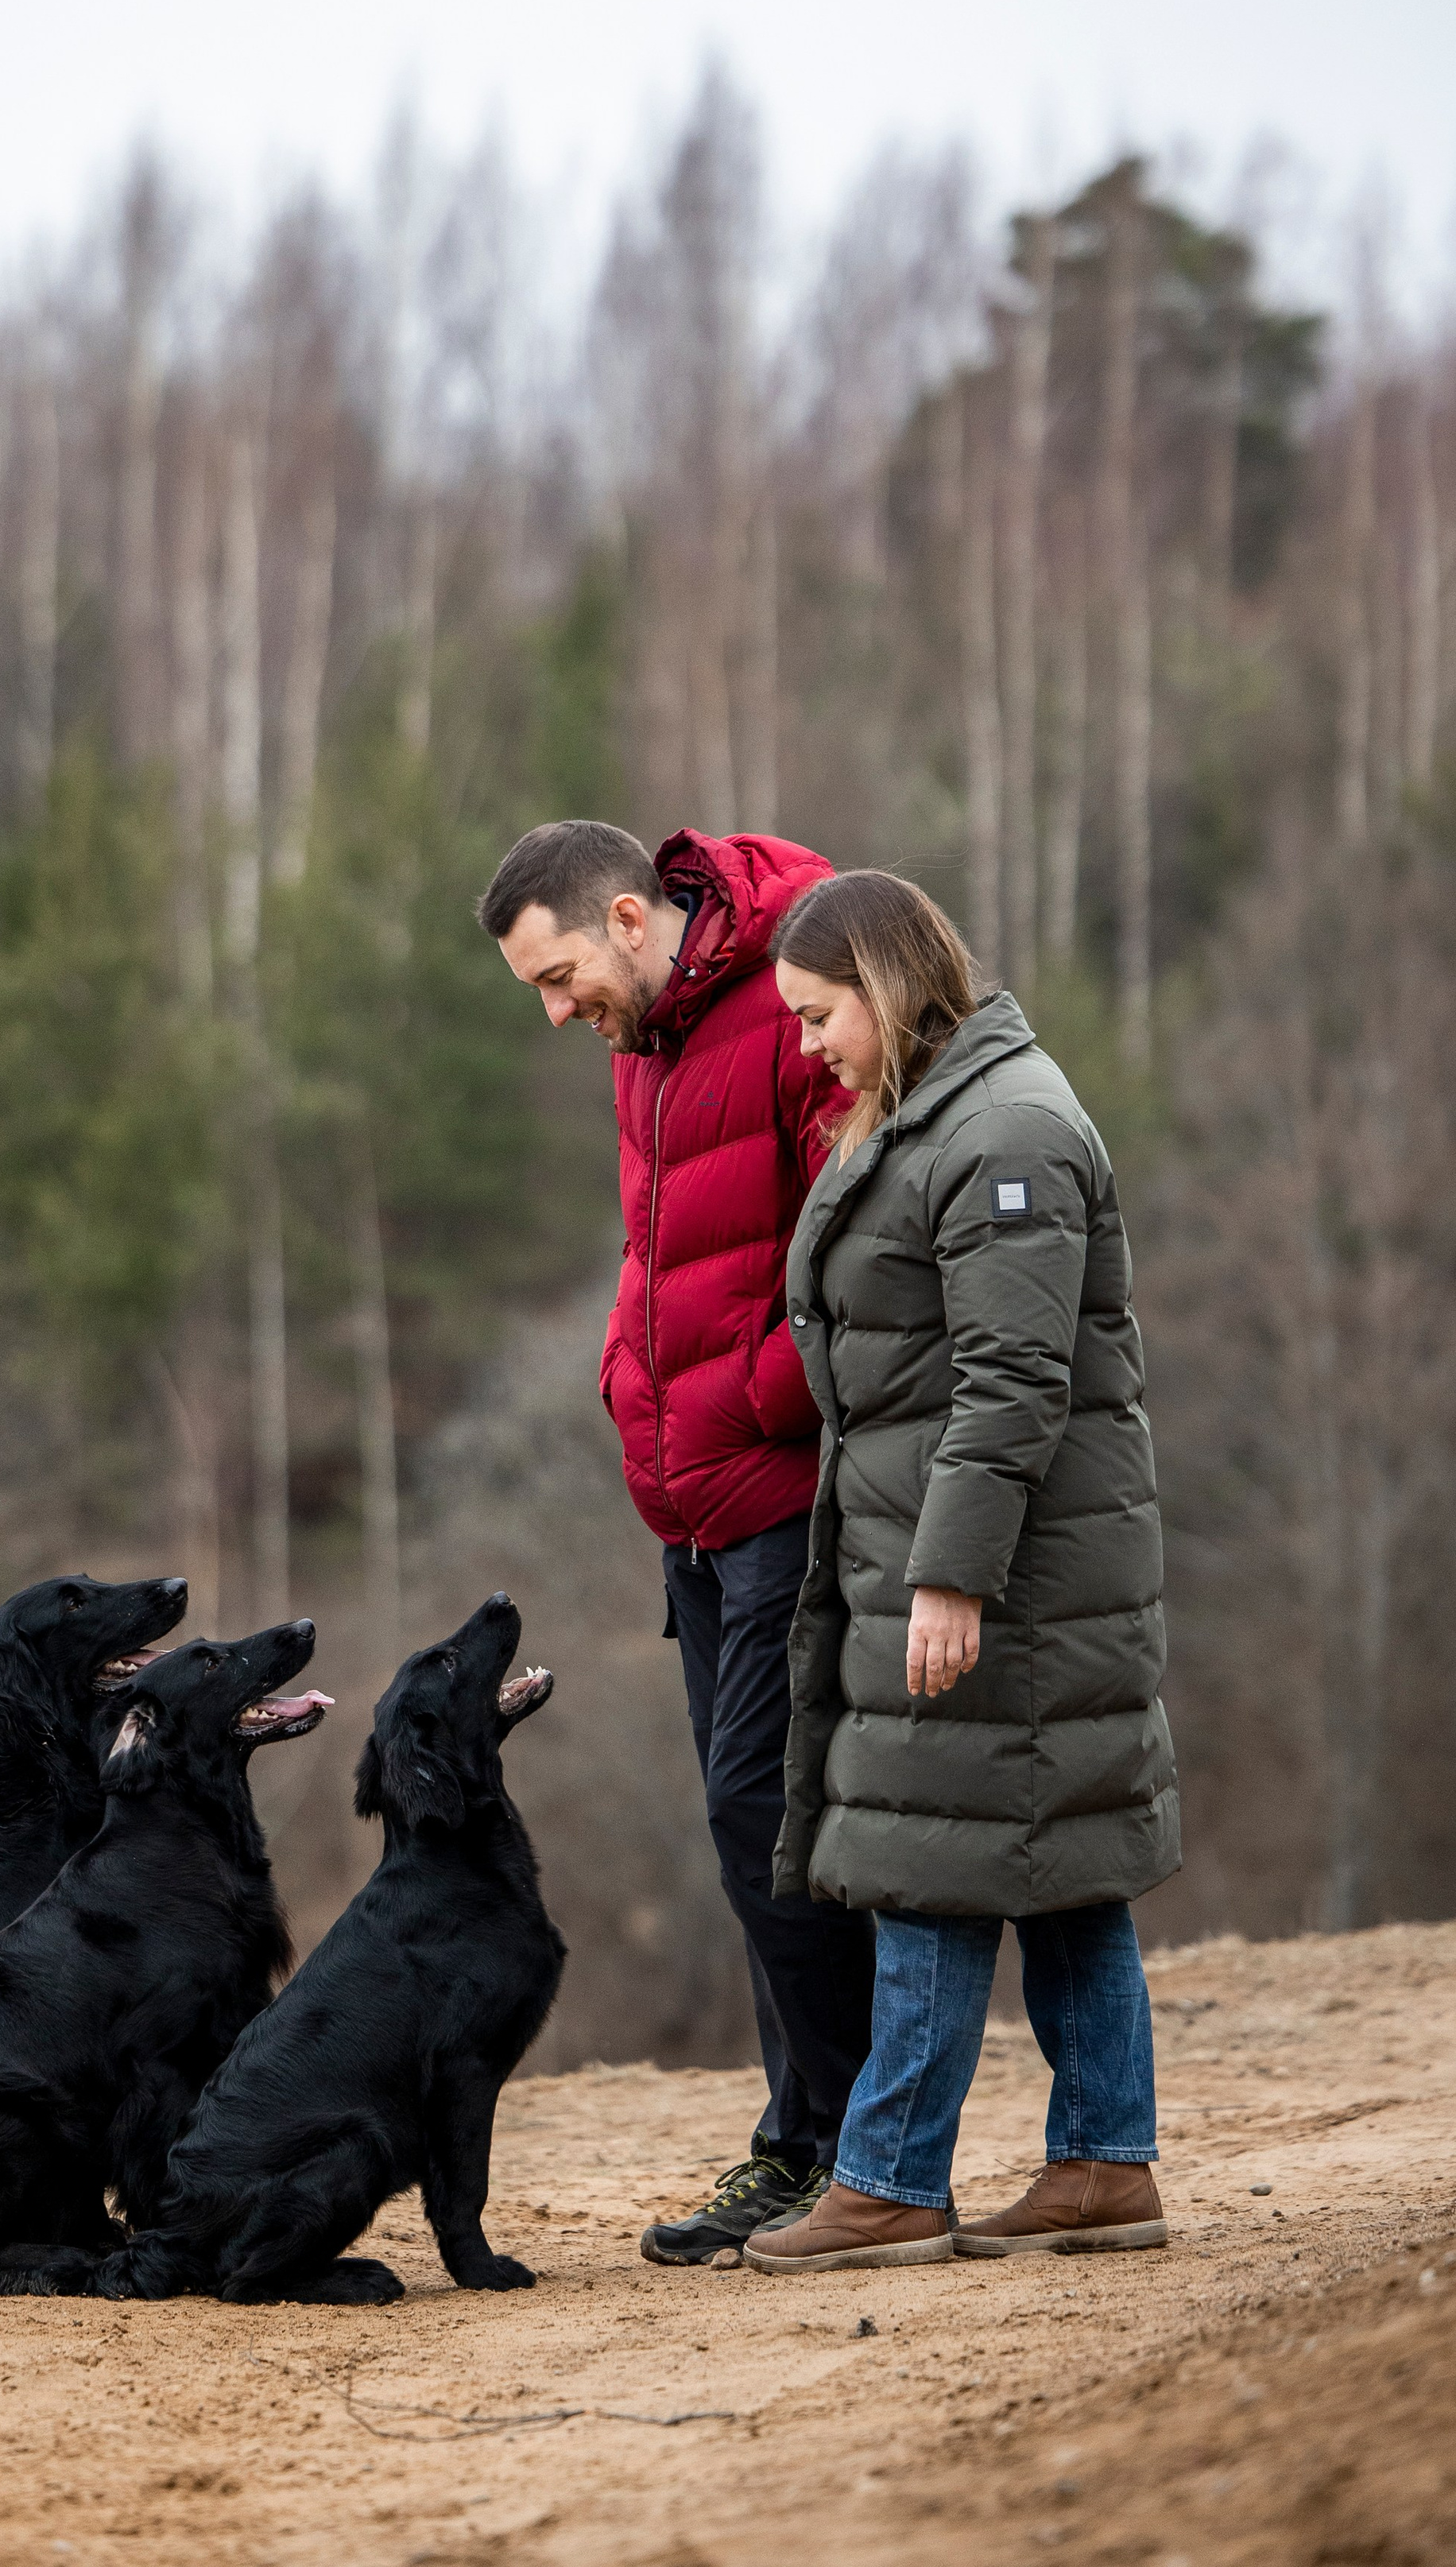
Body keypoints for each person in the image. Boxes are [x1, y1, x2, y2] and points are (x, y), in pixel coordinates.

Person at [742, 869, 1179, 2274]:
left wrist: (951, 1578)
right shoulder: (943, 1111)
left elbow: (1011, 1381)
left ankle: (890, 2178)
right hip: (967, 1551)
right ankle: (1107, 2163)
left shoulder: (1009, 1133)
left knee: (929, 1851)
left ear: (882, 984)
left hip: (1009, 1576)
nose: (810, 1045)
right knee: (1059, 1859)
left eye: (819, 1016)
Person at [478, 817, 877, 2265]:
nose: (556, 1006)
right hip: (691, 1509)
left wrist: (749, 1402)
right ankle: (809, 2138)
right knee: (749, 1829)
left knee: (767, 1820)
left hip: (780, 1492)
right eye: (537, 985)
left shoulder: (793, 995)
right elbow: (664, 1257)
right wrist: (630, 1385)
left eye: (563, 970)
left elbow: (858, 1243)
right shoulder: (641, 1039)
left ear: (636, 919)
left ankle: (848, 2153)